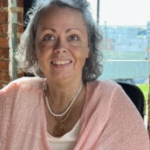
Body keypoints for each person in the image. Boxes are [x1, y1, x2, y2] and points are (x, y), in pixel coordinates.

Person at [0, 0, 149, 149]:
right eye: (49, 37)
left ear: (88, 48)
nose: (60, 48)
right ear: (34, 48)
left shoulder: (112, 101)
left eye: (73, 37)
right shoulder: (13, 98)